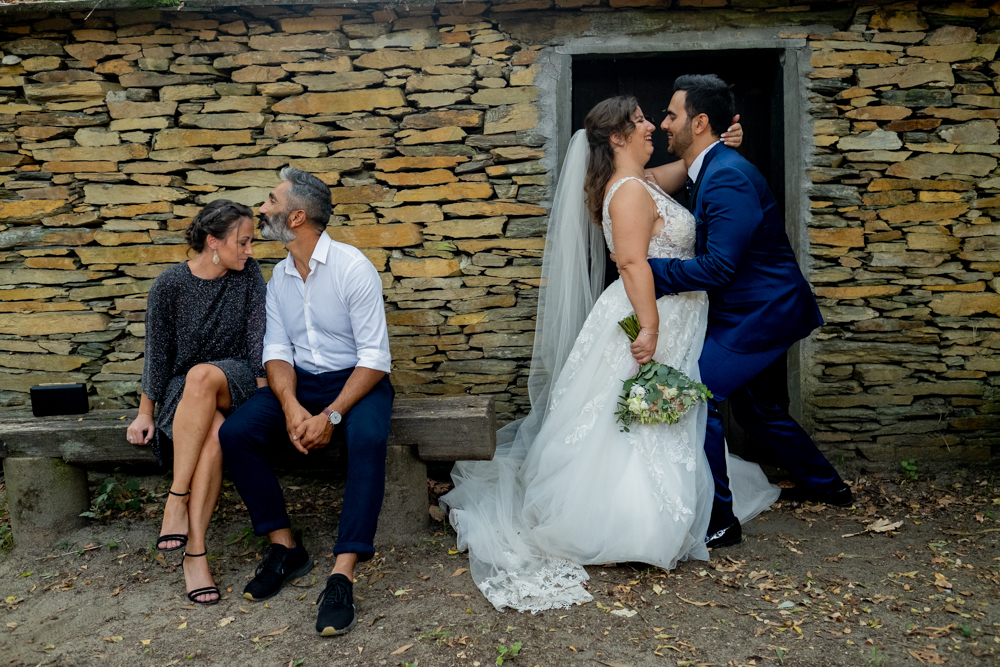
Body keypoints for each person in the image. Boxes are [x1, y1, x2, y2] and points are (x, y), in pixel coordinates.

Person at [439, 96, 778, 613]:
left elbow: (686, 165)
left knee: (651, 411)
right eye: (640, 121)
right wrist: (648, 327)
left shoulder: (642, 182)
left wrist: (720, 144)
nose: (650, 127)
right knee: (633, 416)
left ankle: (684, 507)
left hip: (670, 313)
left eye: (650, 118)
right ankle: (633, 521)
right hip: (648, 313)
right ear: (616, 137)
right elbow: (631, 263)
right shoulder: (626, 194)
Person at [646, 74, 851, 549]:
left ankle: (720, 521)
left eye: (671, 115)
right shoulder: (711, 168)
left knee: (698, 394)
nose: (663, 124)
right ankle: (828, 486)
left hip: (763, 312)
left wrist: (652, 273)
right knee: (759, 409)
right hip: (753, 309)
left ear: (699, 122)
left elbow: (719, 267)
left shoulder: (727, 176)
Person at [218, 167, 393, 637]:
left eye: (270, 201)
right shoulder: (279, 277)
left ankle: (342, 573)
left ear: (296, 217)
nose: (261, 209)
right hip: (299, 384)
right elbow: (276, 350)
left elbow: (375, 358)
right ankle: (285, 547)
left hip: (358, 382)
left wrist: (331, 415)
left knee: (370, 438)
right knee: (235, 434)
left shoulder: (353, 268)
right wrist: (293, 407)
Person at [126, 199, 265, 605]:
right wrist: (145, 412)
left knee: (202, 375)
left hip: (234, 379)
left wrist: (265, 396)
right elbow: (158, 353)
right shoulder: (169, 285)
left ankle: (177, 497)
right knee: (214, 434)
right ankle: (196, 553)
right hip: (182, 394)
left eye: (251, 242)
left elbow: (258, 339)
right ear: (212, 242)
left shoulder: (250, 276)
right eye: (243, 242)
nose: (250, 250)